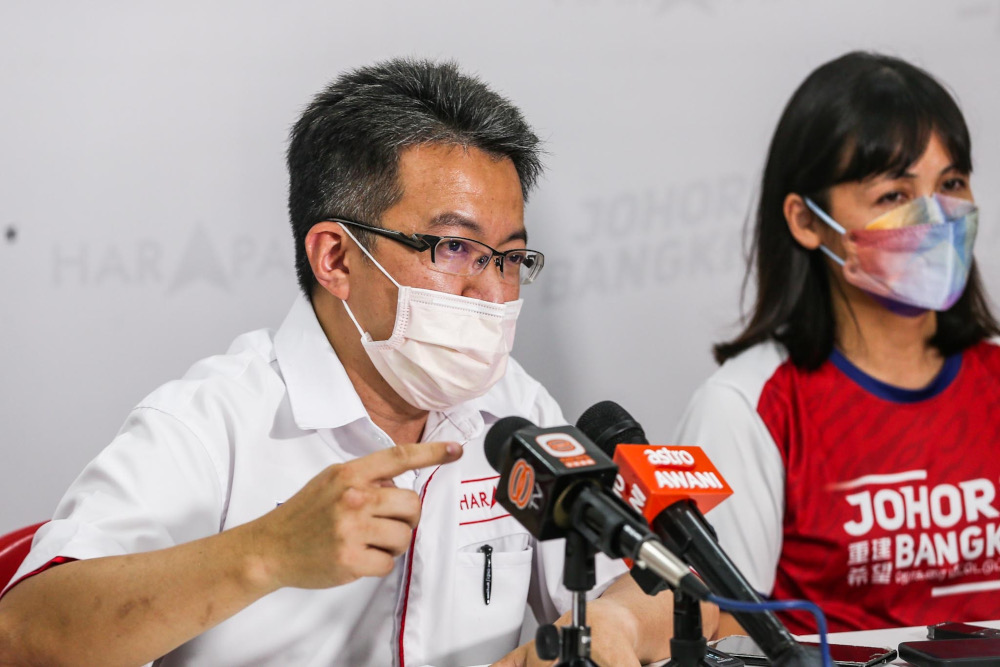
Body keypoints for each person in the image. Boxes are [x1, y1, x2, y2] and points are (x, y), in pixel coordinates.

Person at [0, 58, 688, 666]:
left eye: (510, 258)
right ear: (335, 258)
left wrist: (615, 618)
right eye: (455, 249)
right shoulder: (213, 421)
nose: (493, 290)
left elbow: (672, 590)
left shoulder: (512, 407)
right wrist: (265, 550)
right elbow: (25, 634)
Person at [675, 50, 1000, 634]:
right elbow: (718, 628)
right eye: (894, 195)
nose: (937, 218)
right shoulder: (748, 406)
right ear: (805, 221)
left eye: (951, 184)